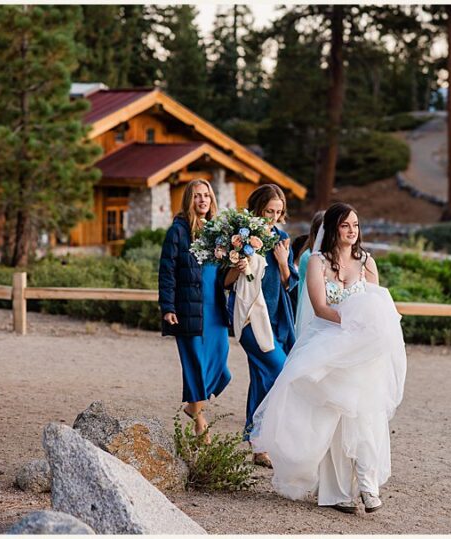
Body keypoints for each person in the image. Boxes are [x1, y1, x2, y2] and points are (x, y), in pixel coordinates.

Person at [250, 202, 408, 514]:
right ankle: (337, 493)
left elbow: (375, 308)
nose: (352, 231)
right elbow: (321, 307)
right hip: (328, 342)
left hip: (361, 350)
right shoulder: (317, 262)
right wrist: (350, 322)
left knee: (364, 414)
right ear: (333, 228)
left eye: (356, 225)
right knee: (333, 420)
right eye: (346, 225)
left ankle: (368, 485)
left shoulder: (367, 262)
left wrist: (365, 330)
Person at [157, 179, 233, 443]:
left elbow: (224, 272)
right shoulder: (177, 231)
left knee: (220, 360)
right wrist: (168, 307)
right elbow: (166, 271)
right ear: (189, 200)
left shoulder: (217, 232)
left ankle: (193, 406)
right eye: (197, 196)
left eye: (207, 196)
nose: (203, 200)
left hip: (214, 306)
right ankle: (200, 421)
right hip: (188, 306)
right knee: (194, 362)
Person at [228, 184, 297, 467]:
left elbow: (290, 284)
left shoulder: (282, 239)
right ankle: (265, 439)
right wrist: (238, 268)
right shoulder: (241, 236)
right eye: (269, 211)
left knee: (261, 377)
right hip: (249, 317)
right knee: (280, 372)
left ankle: (258, 444)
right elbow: (225, 281)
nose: (274, 217)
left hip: (277, 317)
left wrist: (283, 262)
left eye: (278, 212)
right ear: (258, 209)